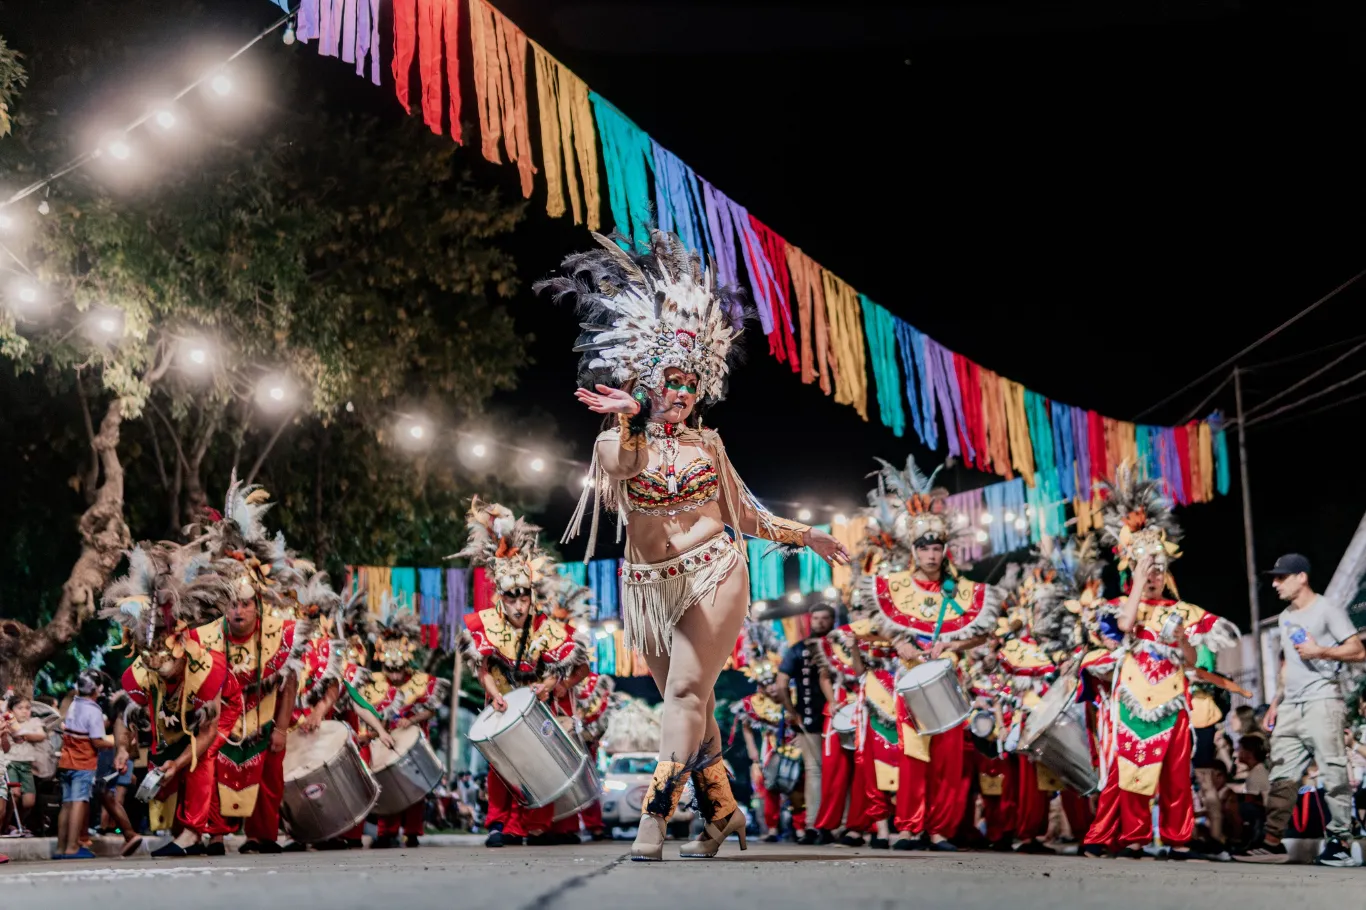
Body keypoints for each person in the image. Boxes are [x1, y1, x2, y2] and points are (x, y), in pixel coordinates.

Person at [541, 229, 848, 861]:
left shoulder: (709, 446)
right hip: (648, 589)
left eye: (690, 383)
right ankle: (723, 814)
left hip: (715, 570)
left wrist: (803, 535)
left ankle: (653, 820)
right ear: (647, 380)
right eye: (668, 380)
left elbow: (744, 513)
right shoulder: (621, 440)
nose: (680, 392)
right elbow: (614, 466)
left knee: (683, 694)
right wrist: (624, 416)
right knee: (696, 701)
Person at [1085, 463, 1239, 860]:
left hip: (1173, 699)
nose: (1153, 575)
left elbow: (1190, 658)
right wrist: (1136, 579)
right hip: (1132, 697)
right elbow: (1123, 624)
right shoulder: (1119, 604)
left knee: (1174, 774)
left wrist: (1184, 640)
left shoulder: (1182, 610)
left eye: (1158, 568)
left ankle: (1176, 838)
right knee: (1128, 771)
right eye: (1145, 568)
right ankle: (1130, 837)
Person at [857, 455, 1004, 851]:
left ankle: (939, 830)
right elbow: (869, 630)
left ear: (945, 550)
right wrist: (897, 642)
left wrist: (956, 643)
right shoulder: (893, 587)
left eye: (937, 546)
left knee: (949, 762)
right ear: (913, 549)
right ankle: (908, 827)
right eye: (924, 546)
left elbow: (992, 629)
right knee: (914, 756)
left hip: (950, 680)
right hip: (909, 682)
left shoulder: (964, 592)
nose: (931, 553)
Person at [103, 542, 246, 858]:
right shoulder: (144, 670)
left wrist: (177, 762)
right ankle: (217, 836)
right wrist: (122, 750)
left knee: (199, 759)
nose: (161, 671)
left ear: (182, 655)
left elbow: (206, 735)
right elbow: (125, 714)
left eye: (169, 670)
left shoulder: (206, 669)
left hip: (221, 710)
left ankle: (192, 835)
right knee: (169, 762)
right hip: (173, 714)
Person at [457, 499, 586, 848]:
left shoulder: (548, 626)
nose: (517, 604)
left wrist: (550, 684)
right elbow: (481, 668)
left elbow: (575, 665)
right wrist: (495, 694)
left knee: (538, 761)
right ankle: (501, 823)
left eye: (523, 597)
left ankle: (539, 825)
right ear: (500, 596)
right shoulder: (486, 624)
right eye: (511, 597)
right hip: (501, 700)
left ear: (532, 596)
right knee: (501, 767)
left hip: (536, 701)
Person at [198, 478, 310, 855]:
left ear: (258, 604)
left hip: (264, 717)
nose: (238, 610)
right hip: (223, 720)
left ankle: (262, 836)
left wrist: (280, 727)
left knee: (269, 778)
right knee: (213, 772)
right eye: (232, 604)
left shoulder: (282, 633)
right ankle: (214, 835)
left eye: (245, 604)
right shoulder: (207, 636)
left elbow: (289, 683)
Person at [1235, 553, 1365, 866]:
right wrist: (1277, 702)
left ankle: (1341, 844)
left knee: (1333, 771)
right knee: (1281, 774)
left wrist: (1321, 650)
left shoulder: (1327, 609)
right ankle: (1272, 843)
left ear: (1301, 577)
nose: (1276, 583)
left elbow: (1358, 650)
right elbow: (1287, 665)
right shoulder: (1285, 616)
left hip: (1322, 700)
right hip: (1291, 705)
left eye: (1281, 577)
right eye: (1275, 578)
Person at [359, 599, 450, 848]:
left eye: (399, 669)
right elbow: (365, 713)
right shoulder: (373, 683)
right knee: (386, 785)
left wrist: (410, 719)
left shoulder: (421, 680)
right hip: (384, 744)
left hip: (413, 744)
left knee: (414, 787)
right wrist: (371, 733)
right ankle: (387, 833)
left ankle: (412, 832)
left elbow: (431, 709)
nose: (395, 674)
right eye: (390, 669)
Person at [777, 602, 836, 842]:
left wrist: (791, 711)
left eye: (825, 618)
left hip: (827, 717)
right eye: (817, 618)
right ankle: (820, 824)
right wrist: (793, 712)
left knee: (821, 772)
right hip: (818, 718)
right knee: (821, 771)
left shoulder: (801, 648)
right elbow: (781, 686)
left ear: (832, 620)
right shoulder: (803, 649)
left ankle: (819, 824)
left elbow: (781, 685)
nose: (820, 622)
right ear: (810, 620)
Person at [54, 672, 117, 859]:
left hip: (66, 761)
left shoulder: (74, 704)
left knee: (66, 804)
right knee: (78, 803)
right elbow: (97, 741)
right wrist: (116, 743)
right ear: (98, 689)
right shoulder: (94, 710)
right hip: (83, 764)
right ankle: (73, 847)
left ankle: (61, 848)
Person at [2, 696, 46, 834]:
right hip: (11, 764)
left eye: (27, 708)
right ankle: (6, 825)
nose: (24, 711)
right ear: (11, 710)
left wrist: (22, 733)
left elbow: (40, 735)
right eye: (20, 708)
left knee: (29, 802)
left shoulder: (34, 722)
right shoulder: (6, 723)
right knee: (14, 795)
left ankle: (18, 822)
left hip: (26, 766)